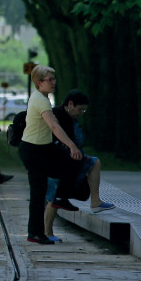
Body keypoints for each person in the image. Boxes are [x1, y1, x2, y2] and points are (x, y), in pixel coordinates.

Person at [17, 65, 82, 245]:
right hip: (33, 149)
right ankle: (35, 233)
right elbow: (54, 125)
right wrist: (71, 146)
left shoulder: (43, 98)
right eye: (49, 80)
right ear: (39, 82)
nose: (53, 83)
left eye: (54, 79)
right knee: (38, 191)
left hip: (44, 148)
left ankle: (61, 196)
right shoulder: (41, 100)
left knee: (73, 162)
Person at [42, 90, 115, 239]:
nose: (82, 112)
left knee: (94, 162)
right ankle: (47, 232)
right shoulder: (57, 115)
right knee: (54, 197)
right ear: (70, 104)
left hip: (70, 161)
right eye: (80, 109)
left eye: (84, 109)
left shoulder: (70, 116)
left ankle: (95, 201)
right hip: (56, 163)